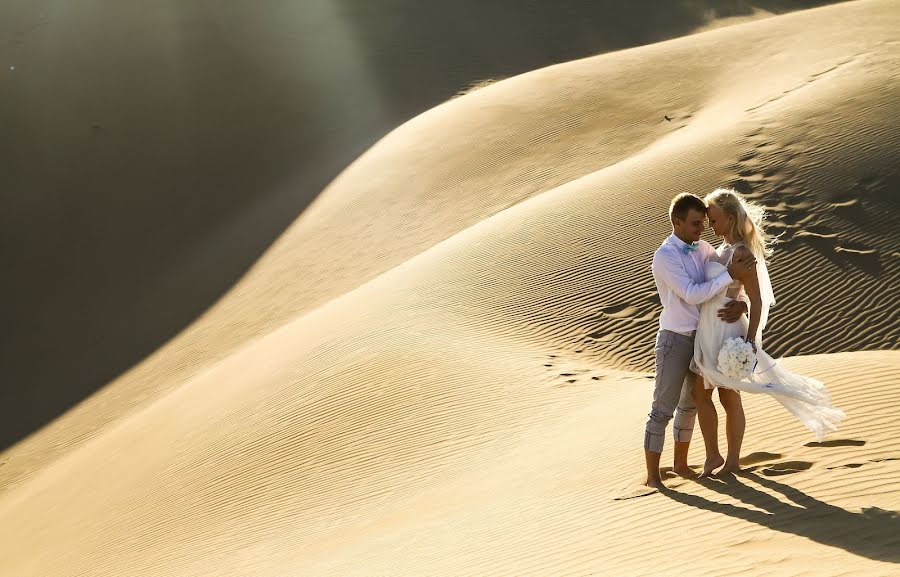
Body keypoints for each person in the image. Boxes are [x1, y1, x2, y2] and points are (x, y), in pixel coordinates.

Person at [690, 188, 845, 477]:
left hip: (726, 332)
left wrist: (748, 339)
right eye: (709, 221)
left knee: (729, 395)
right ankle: (713, 457)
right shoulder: (721, 250)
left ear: (731, 217)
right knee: (701, 393)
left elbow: (757, 298)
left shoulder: (742, 252)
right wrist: (739, 304)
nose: (711, 225)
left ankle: (733, 461)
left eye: (714, 219)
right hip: (708, 328)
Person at [643, 193, 755, 490]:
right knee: (662, 408)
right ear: (676, 222)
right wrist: (730, 274)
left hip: (704, 338)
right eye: (694, 223)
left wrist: (742, 303)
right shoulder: (666, 255)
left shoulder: (704, 248)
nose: (701, 228)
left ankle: (681, 464)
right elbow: (692, 293)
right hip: (675, 339)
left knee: (690, 404)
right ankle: (653, 477)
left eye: (704, 222)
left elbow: (726, 288)